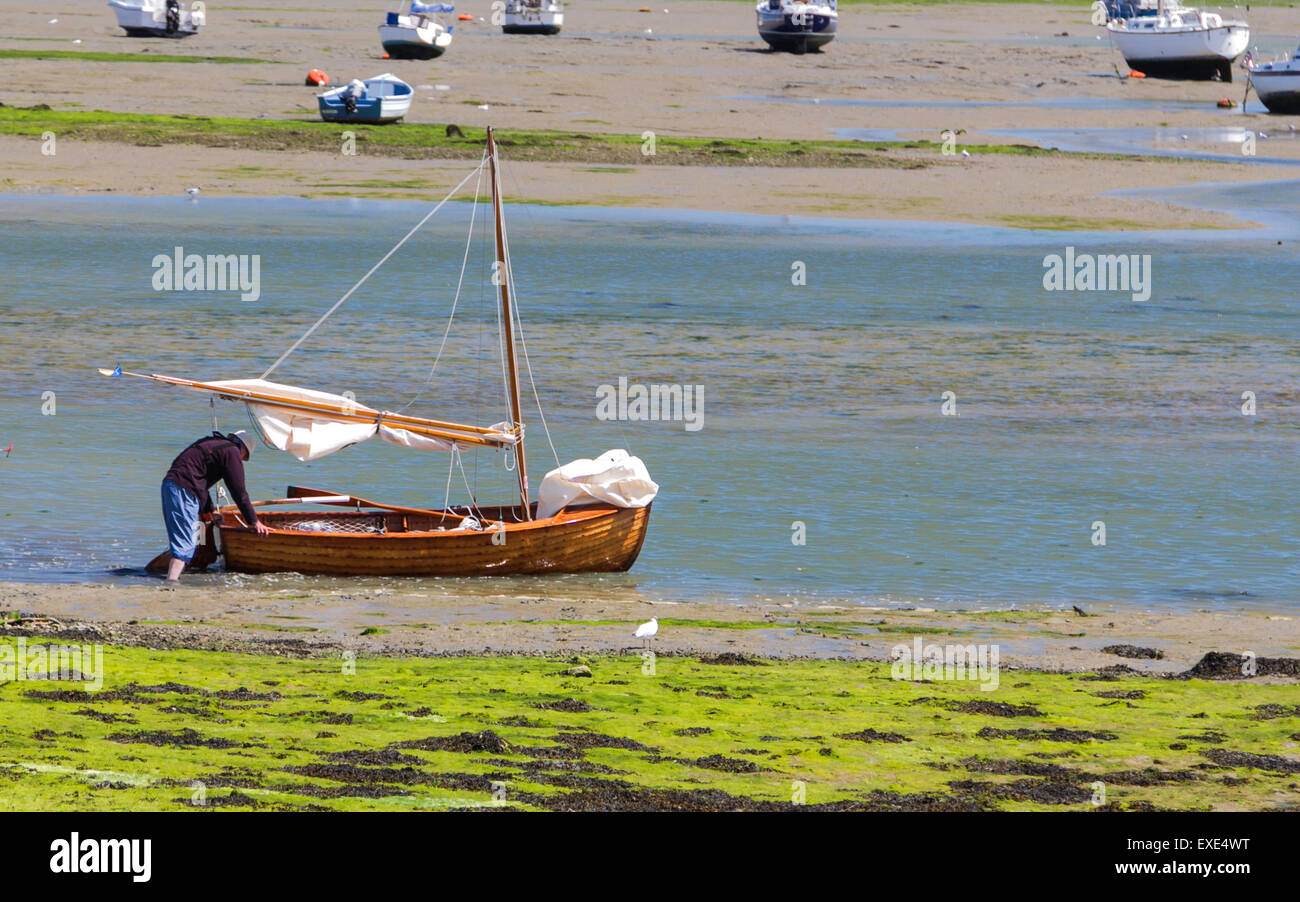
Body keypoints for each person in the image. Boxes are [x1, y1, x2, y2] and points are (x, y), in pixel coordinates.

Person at [161, 430, 269, 583]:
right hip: (183, 491)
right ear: (243, 449)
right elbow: (239, 492)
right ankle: (171, 584)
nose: (241, 460)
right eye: (244, 458)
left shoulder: (214, 444)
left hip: (171, 485)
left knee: (191, 539)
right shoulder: (231, 452)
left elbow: (199, 482)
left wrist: (211, 511)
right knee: (186, 543)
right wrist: (254, 521)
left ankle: (180, 573)